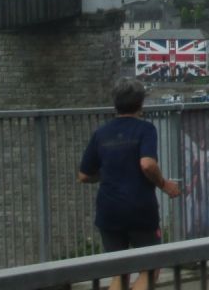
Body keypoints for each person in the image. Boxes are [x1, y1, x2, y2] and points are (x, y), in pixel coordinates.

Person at [78, 77, 182, 288]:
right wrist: (164, 184)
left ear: (115, 102)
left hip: (109, 210)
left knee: (119, 272)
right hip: (139, 209)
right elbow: (147, 164)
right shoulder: (145, 130)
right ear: (141, 103)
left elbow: (84, 175)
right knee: (150, 267)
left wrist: (106, 173)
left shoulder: (101, 133)